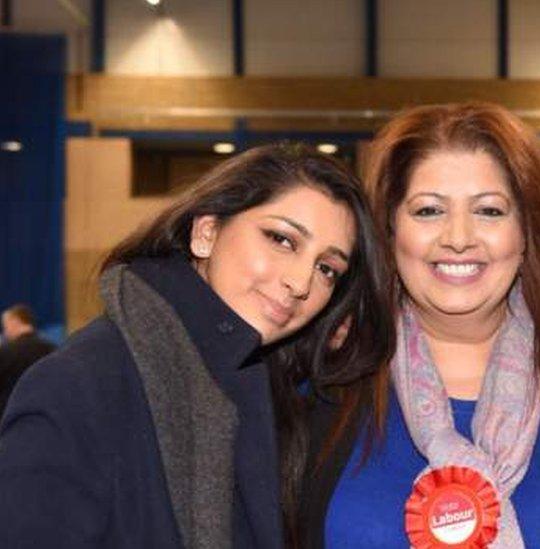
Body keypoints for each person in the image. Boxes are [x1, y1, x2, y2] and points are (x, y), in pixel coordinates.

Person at [0, 143, 395, 548]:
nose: (301, 282)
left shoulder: (267, 393)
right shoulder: (81, 385)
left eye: (327, 268)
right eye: (281, 239)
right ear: (206, 233)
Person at [297, 102, 540, 549]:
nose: (458, 238)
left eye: (490, 211)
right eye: (428, 211)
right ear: (389, 231)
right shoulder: (321, 384)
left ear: (527, 234)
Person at [0, 304, 56, 416]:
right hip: (45, 414)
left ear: (15, 321)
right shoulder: (52, 349)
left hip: (9, 416)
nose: (4, 332)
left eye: (5, 326)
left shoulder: (6, 351)